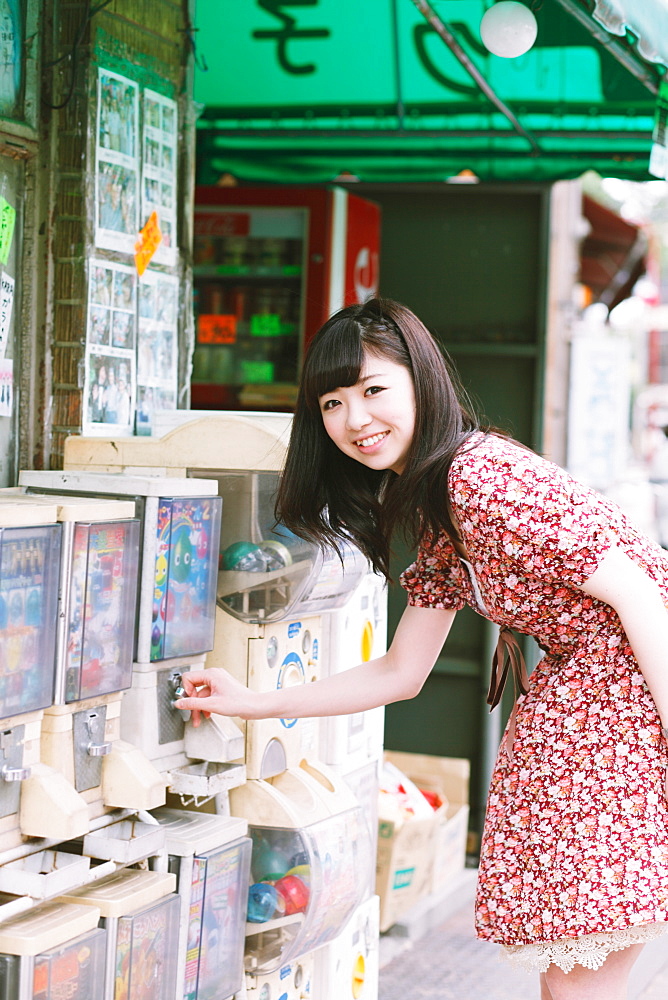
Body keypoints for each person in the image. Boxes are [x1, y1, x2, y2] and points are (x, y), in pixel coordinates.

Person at [175, 298, 668, 1000]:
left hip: (614, 718)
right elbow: (403, 671)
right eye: (333, 403)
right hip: (590, 719)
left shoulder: (476, 477)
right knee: (572, 978)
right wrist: (255, 702)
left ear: (421, 381)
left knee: (579, 980)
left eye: (374, 390)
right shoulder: (440, 500)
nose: (355, 420)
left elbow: (641, 594)